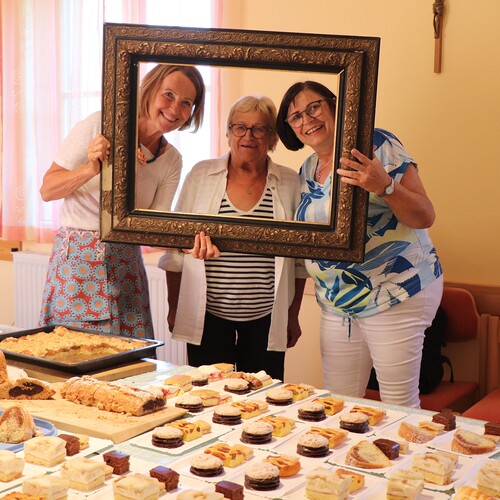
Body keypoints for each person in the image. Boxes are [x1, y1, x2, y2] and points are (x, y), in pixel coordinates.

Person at [276, 81, 443, 407]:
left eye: (314, 107)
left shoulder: (374, 144)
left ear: (334, 104)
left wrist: (385, 186)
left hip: (395, 291)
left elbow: (425, 215)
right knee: (340, 407)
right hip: (337, 304)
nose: (307, 120)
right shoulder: (307, 170)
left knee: (398, 405)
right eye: (296, 116)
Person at [39, 65, 206, 339]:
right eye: (168, 95)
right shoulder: (100, 125)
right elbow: (47, 190)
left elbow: (153, 228)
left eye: (186, 102)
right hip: (77, 264)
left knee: (131, 358)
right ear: (150, 90)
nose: (175, 108)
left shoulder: (172, 160)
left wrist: (190, 243)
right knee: (73, 355)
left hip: (127, 268)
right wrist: (89, 169)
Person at [159, 95, 307, 380]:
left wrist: (292, 314)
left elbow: (299, 260)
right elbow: (175, 251)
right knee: (208, 395)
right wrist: (174, 306)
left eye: (259, 129)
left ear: (272, 138)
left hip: (267, 317)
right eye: (239, 127)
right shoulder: (201, 175)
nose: (248, 136)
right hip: (208, 316)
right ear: (228, 133)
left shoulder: (289, 182)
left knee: (263, 397)